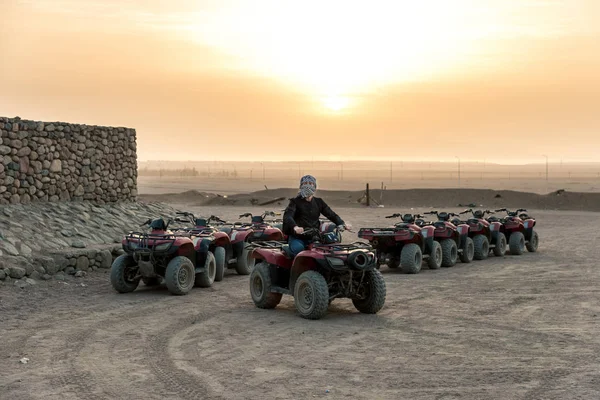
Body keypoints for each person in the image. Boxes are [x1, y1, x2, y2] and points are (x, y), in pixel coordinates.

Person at [282, 175, 349, 256]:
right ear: (301, 186)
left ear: (315, 186)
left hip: (315, 237)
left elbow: (331, 214)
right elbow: (288, 216)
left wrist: (341, 223)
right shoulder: (294, 202)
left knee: (332, 249)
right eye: (305, 183)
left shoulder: (318, 202)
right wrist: (295, 227)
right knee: (298, 250)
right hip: (298, 238)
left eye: (310, 183)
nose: (308, 186)